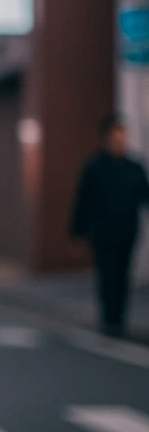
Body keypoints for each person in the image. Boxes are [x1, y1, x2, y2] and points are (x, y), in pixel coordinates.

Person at [70, 112, 149, 338]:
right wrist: (78, 230)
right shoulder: (95, 166)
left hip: (128, 230)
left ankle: (118, 320)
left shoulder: (135, 167)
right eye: (116, 135)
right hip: (103, 232)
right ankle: (108, 319)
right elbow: (83, 199)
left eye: (123, 135)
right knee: (107, 275)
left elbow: (145, 195)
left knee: (123, 275)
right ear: (106, 137)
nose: (120, 140)